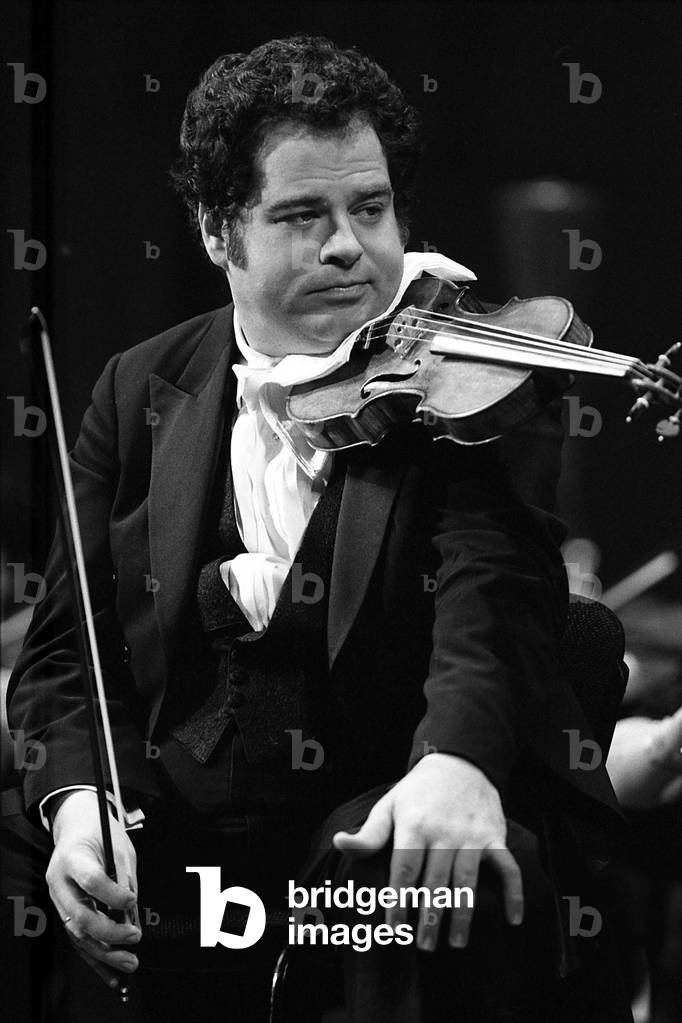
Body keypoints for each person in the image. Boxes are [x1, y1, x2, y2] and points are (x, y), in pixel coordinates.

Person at [2, 34, 632, 1022]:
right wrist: (77, 812)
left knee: (416, 882)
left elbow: (490, 589)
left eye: (370, 208)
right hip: (178, 816)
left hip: (356, 807)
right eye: (303, 215)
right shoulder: (138, 387)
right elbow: (58, 651)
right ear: (218, 232)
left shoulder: (462, 376)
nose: (349, 245)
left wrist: (455, 764)